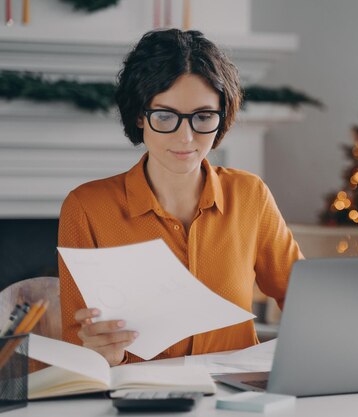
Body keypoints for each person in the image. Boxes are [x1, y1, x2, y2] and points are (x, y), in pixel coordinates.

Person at [58, 29, 303, 366]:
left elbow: (303, 300)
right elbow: (77, 343)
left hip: (236, 397)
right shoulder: (87, 208)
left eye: (203, 117)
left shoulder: (250, 195)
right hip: (137, 400)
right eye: (165, 116)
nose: (185, 137)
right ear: (141, 116)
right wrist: (101, 355)